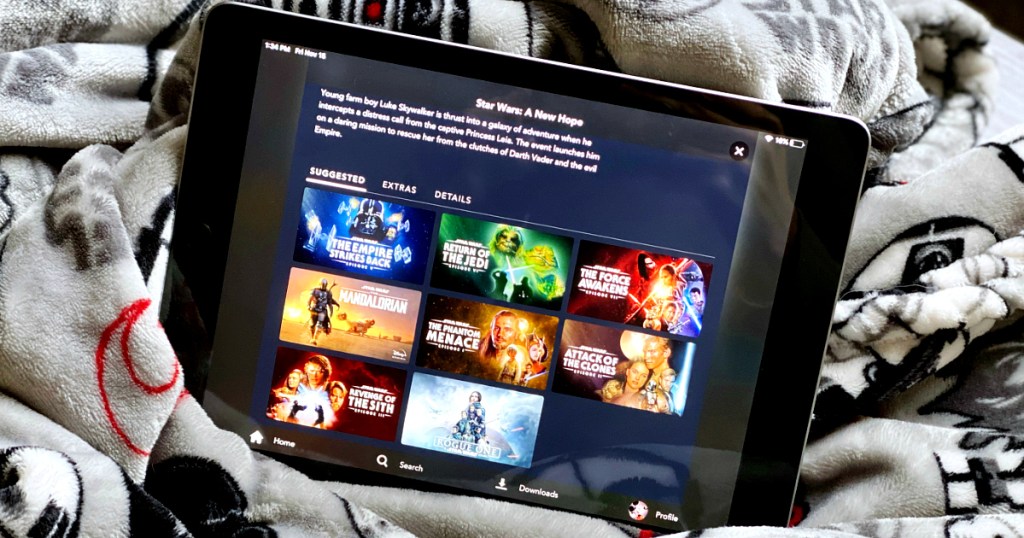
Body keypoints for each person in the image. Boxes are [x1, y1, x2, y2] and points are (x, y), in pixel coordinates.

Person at [308, 278, 341, 345]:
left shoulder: (328, 293)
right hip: (314, 309)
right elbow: (310, 299)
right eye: (322, 284)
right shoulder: (315, 290)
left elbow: (329, 302)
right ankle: (312, 338)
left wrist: (331, 311)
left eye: (324, 284)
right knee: (312, 325)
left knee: (319, 324)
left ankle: (315, 339)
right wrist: (308, 306)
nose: (323, 286)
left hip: (323, 311)